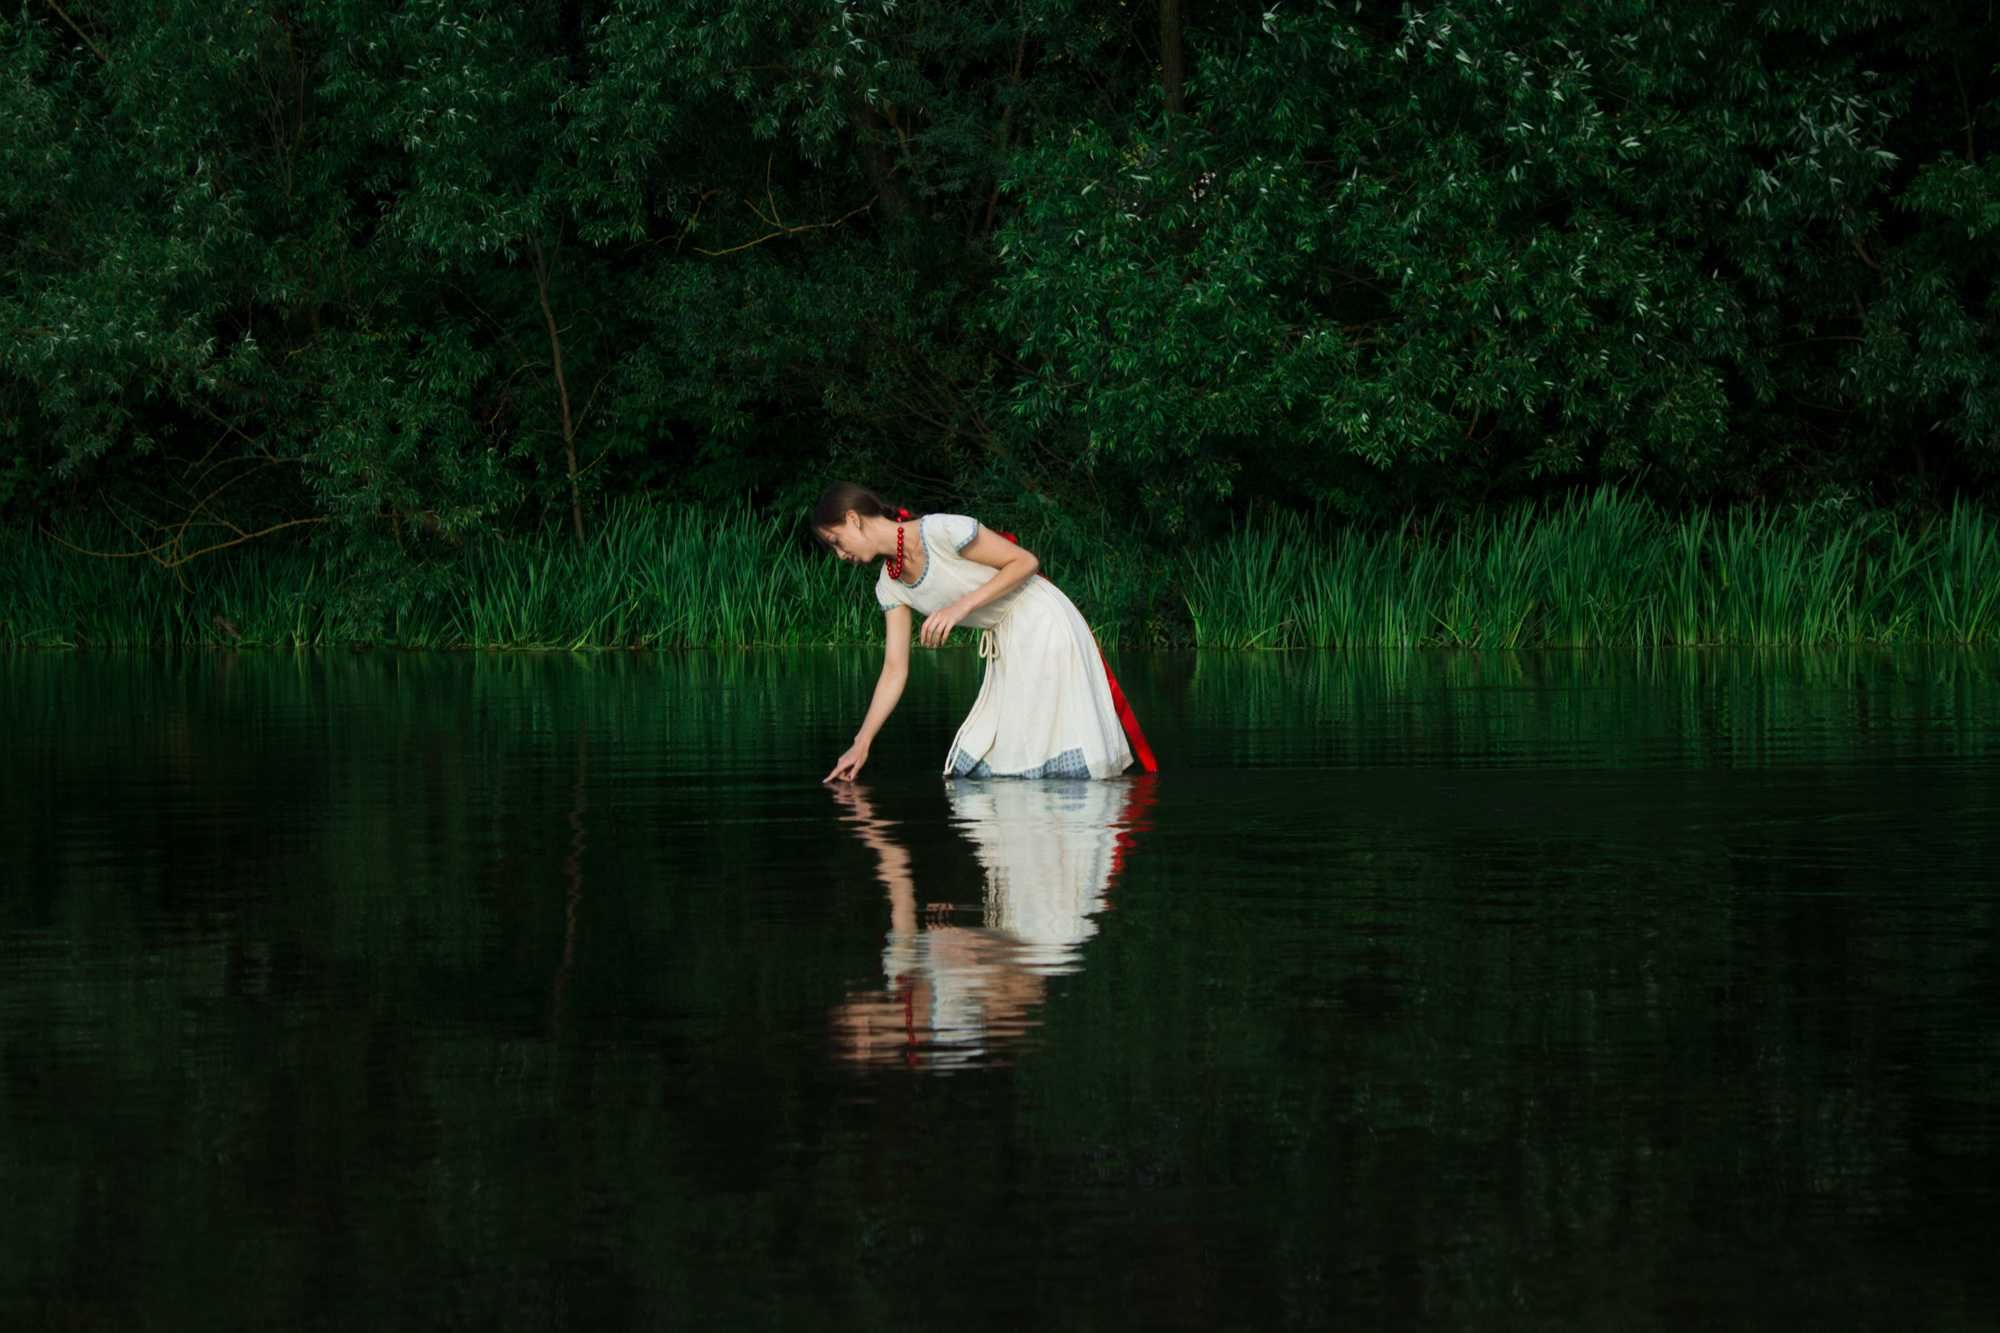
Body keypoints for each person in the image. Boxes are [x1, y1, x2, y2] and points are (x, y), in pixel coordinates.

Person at [812, 482, 1157, 783]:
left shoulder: (942, 531)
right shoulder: (890, 586)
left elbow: (1026, 562)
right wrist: (862, 742)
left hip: (1043, 620)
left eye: (838, 542)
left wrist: (961, 607)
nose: (842, 556)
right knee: (987, 762)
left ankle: (1074, 841)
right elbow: (894, 669)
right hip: (1009, 642)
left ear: (854, 520)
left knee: (1048, 751)